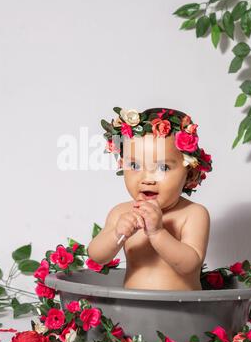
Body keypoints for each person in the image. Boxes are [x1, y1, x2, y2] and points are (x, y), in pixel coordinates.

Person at [87, 107, 213, 290]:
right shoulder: (121, 212)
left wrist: (158, 233)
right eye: (135, 165)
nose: (147, 178)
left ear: (190, 174)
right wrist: (117, 235)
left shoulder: (192, 214)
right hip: (133, 308)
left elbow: (189, 265)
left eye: (163, 168)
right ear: (122, 166)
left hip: (183, 311)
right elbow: (97, 256)